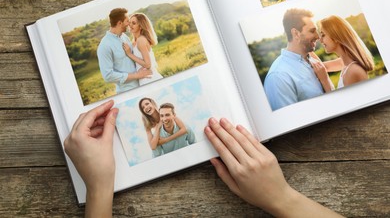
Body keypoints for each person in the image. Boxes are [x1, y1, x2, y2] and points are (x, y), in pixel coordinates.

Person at [64, 101, 343, 217]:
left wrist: (99, 188)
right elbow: (155, 142)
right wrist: (282, 198)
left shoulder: (170, 121)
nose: (159, 114)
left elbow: (182, 132)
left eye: (159, 110)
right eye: (152, 110)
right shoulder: (154, 126)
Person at [264, 8, 325, 111]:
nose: (318, 36)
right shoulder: (278, 76)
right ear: (296, 33)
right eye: (312, 31)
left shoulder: (313, 61)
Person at [97, 8, 152, 94]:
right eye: (127, 21)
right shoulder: (104, 46)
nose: (129, 24)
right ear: (119, 23)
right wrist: (136, 75)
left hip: (143, 83)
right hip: (127, 91)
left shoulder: (124, 37)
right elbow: (107, 76)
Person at [314, 15, 375, 91]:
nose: (321, 40)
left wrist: (325, 80)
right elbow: (322, 67)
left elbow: (340, 102)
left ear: (335, 36)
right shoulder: (345, 63)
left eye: (323, 35)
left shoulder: (353, 71)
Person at [122, 13, 163, 85]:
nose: (130, 25)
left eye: (134, 23)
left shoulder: (141, 40)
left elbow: (148, 64)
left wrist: (129, 54)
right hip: (144, 78)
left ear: (140, 26)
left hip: (150, 79)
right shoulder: (134, 41)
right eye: (130, 22)